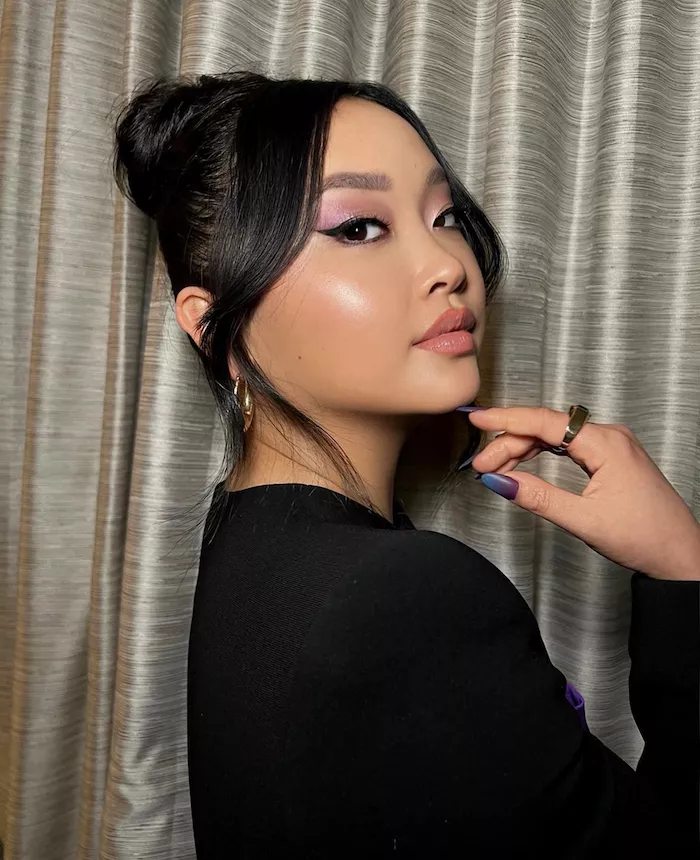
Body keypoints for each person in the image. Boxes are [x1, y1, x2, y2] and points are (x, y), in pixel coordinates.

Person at [113, 71, 700, 858]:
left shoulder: (248, 534)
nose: (448, 265)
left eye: (445, 216)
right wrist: (684, 570)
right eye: (359, 227)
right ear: (215, 322)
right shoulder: (405, 598)